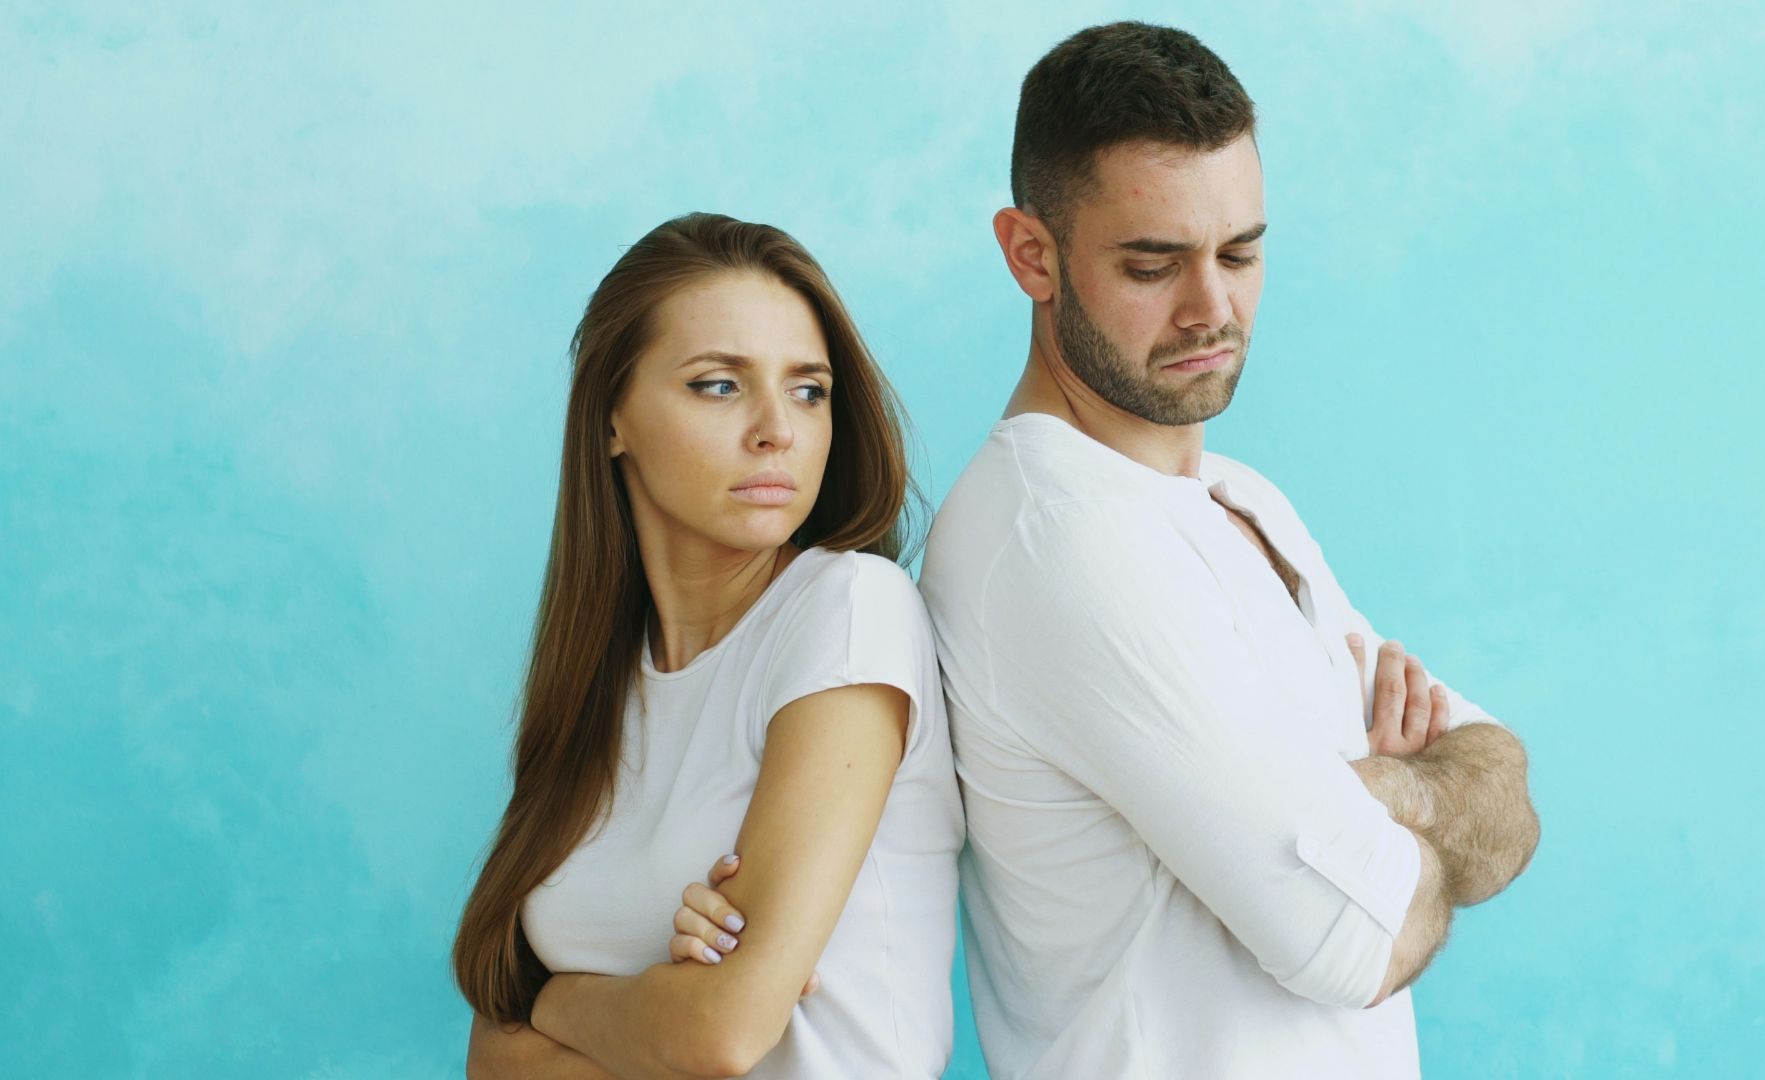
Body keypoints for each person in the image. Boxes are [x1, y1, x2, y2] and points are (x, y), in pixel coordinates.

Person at [918, 22, 1542, 1079]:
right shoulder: (1054, 542)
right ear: (1032, 254)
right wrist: (1396, 790)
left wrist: (1394, 797)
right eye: (1153, 264)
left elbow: (1508, 796)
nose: (1214, 309)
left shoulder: (1242, 497)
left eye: (1241, 253)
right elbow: (1362, 940)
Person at [452, 212, 963, 1078]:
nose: (777, 430)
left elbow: (718, 1037)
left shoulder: (847, 611)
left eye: (809, 390)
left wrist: (559, 1000)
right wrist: (653, 1006)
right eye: (719, 385)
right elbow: (490, 1059)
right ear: (612, 416)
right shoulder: (599, 684)